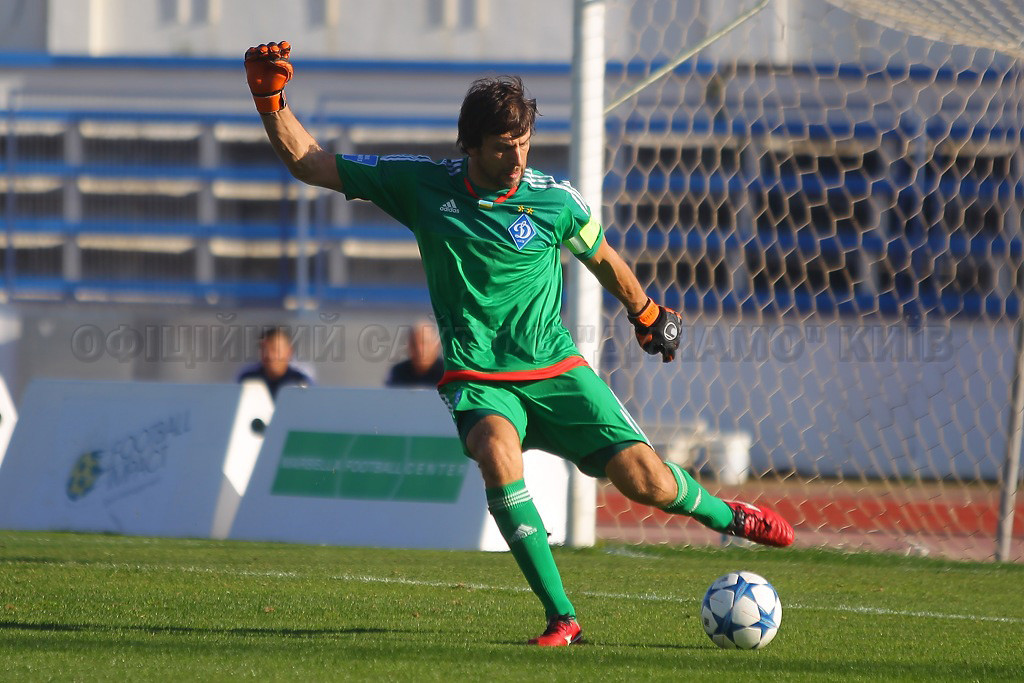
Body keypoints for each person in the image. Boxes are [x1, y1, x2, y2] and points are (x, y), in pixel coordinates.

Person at [245, 41, 794, 646]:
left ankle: (729, 515)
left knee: (648, 483)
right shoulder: (420, 185)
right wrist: (272, 102)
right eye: (502, 147)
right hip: (479, 377)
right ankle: (563, 617)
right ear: (471, 145)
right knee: (495, 451)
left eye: (524, 144)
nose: (515, 158)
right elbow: (311, 163)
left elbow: (602, 256)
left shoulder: (554, 200)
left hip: (556, 369)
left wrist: (645, 313)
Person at [236, 326, 314, 399]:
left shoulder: (300, 382)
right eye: (265, 350)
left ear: (289, 351)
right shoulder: (247, 379)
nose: (270, 356)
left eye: (275, 350)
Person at [386, 320, 445, 388]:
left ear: (436, 345)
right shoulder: (398, 372)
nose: (419, 349)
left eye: (423, 343)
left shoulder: (447, 373)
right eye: (414, 344)